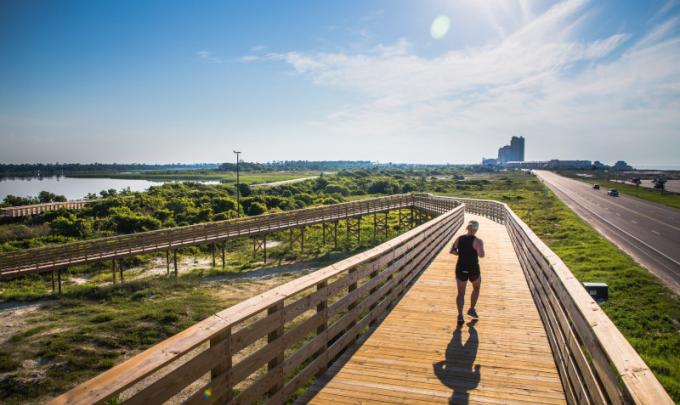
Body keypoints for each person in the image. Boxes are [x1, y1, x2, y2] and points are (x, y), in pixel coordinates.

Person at [450, 220, 485, 324]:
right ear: (476, 229)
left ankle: (460, 316)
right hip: (473, 268)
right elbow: (481, 255)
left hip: (461, 267)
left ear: (467, 228)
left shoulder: (459, 238)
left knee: (461, 293)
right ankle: (471, 309)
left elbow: (452, 251)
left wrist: (460, 253)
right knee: (476, 288)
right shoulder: (478, 241)